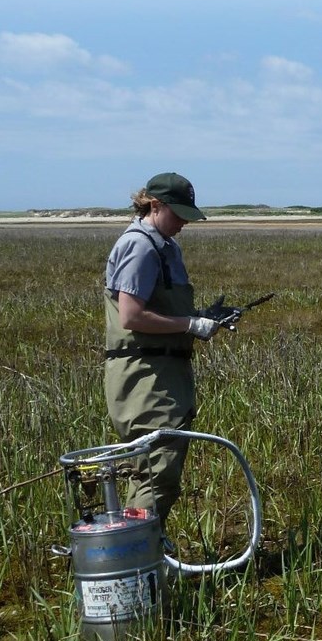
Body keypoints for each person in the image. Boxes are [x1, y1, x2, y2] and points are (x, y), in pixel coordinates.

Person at [103, 172, 221, 521]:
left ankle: (141, 554)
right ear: (155, 205)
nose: (184, 222)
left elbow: (159, 309)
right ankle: (136, 563)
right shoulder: (139, 246)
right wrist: (190, 324)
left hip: (164, 377)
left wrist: (202, 317)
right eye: (178, 213)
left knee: (155, 473)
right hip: (145, 380)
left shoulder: (165, 245)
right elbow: (132, 316)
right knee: (156, 475)